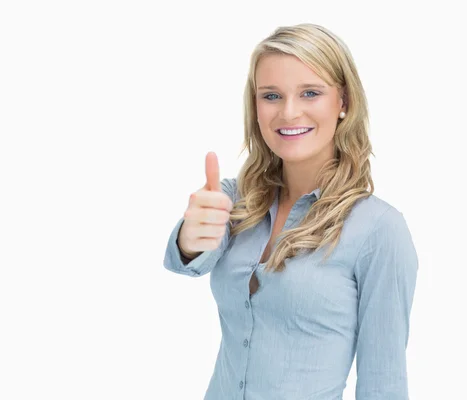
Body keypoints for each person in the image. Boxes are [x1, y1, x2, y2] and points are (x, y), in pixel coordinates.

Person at [163, 23, 419, 400]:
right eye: (271, 95)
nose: (289, 112)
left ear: (343, 101)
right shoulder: (235, 200)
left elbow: (384, 382)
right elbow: (187, 261)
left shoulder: (379, 230)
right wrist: (190, 238)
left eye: (310, 93)